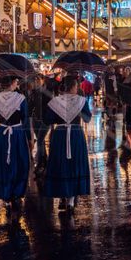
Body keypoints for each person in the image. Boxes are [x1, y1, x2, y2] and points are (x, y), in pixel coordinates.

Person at [44, 76, 92, 212]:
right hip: (76, 135)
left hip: (60, 135)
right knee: (74, 165)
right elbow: (87, 118)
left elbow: (47, 120)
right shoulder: (81, 101)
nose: (77, 89)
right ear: (72, 87)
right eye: (76, 86)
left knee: (61, 165)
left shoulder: (55, 101)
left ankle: (62, 197)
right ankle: (70, 201)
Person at [0, 76, 31, 209]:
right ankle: (16, 193)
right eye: (16, 81)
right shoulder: (20, 98)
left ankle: (6, 194)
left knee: (4, 163)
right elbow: (25, 119)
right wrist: (29, 138)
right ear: (12, 83)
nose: (17, 83)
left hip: (2, 134)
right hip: (17, 133)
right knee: (19, 162)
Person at [29, 74, 53, 174]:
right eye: (34, 80)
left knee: (39, 141)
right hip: (35, 120)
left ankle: (40, 163)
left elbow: (52, 106)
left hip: (45, 120)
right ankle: (44, 160)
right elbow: (30, 107)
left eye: (38, 79)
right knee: (41, 141)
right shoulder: (32, 93)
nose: (36, 82)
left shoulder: (47, 92)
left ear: (42, 80)